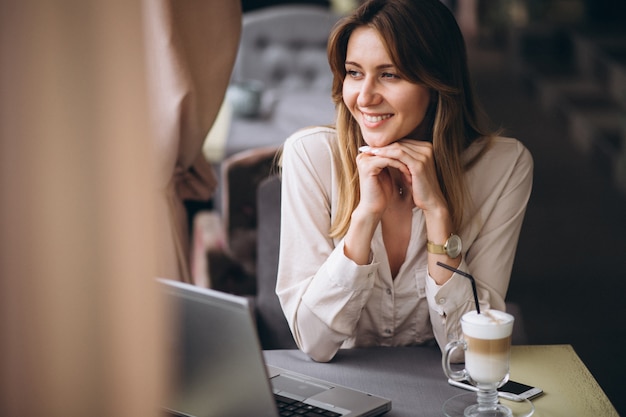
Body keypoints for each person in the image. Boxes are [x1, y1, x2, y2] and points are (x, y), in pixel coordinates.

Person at [276, 0, 533, 363]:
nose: (365, 98)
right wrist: (364, 217)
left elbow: (468, 350)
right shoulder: (311, 155)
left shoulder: (503, 167)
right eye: (353, 72)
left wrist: (439, 216)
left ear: (437, 82)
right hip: (345, 391)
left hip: (444, 392)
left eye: (390, 74)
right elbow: (316, 344)